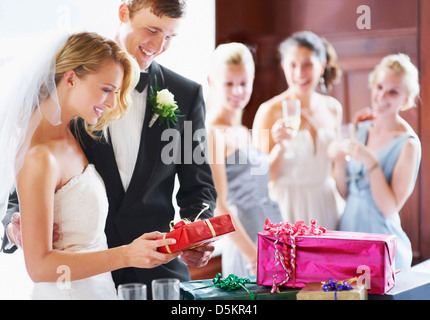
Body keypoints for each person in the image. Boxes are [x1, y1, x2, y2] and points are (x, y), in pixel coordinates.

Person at [2, 0, 218, 298]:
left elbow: (199, 187)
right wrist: (16, 227)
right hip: (77, 276)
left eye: (170, 36)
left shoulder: (186, 94)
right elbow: (21, 188)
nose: (158, 45)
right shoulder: (73, 95)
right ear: (123, 13)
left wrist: (196, 235)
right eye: (152, 30)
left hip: (159, 276)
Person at [332, 53, 421, 271]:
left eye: (393, 91)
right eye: (379, 87)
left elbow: (388, 207)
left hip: (380, 242)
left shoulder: (408, 144)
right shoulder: (361, 129)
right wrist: (338, 159)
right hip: (347, 233)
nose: (382, 96)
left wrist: (371, 162)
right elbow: (346, 192)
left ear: (406, 99)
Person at [252, 31, 343, 230]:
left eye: (307, 64)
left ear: (322, 66)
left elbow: (336, 170)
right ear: (283, 66)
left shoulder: (333, 108)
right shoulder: (269, 111)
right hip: (287, 207)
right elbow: (261, 179)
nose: (299, 73)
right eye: (293, 65)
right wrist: (281, 147)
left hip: (325, 203)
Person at [206, 43, 282, 277]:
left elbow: (266, 180)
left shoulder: (242, 130)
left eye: (243, 83)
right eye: (229, 83)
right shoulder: (212, 134)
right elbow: (219, 207)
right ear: (212, 82)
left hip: (272, 232)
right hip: (246, 241)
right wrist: (252, 255)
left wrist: (282, 145)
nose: (238, 91)